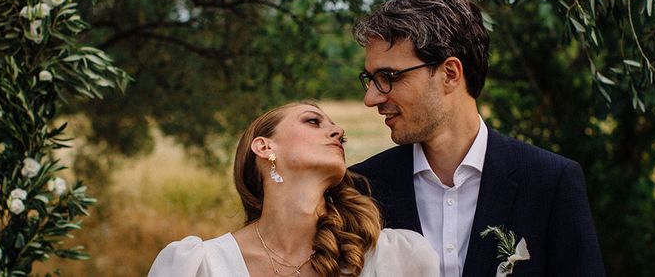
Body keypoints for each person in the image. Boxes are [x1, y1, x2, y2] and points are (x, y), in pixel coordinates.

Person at [351, 0, 606, 277]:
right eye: (370, 79)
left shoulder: (549, 182)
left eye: (389, 77)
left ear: (450, 73)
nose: (371, 97)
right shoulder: (360, 189)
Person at [148, 101, 439, 277]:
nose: (339, 132)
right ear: (265, 147)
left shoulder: (393, 258)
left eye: (338, 131)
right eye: (313, 121)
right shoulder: (197, 266)